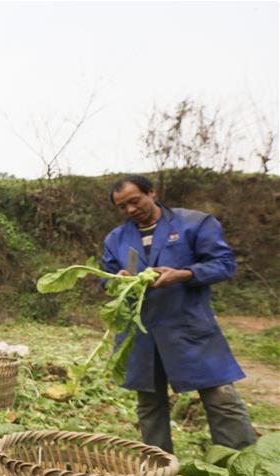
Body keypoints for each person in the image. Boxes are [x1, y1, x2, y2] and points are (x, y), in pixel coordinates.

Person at [102, 174, 256, 454]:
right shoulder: (116, 239)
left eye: (134, 201)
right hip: (142, 333)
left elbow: (223, 264)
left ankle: (240, 465)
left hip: (189, 327)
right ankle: (159, 470)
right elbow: (106, 276)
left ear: (152, 192)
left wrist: (184, 274)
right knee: (149, 405)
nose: (130, 210)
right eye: (122, 207)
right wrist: (117, 279)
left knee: (221, 398)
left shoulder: (193, 223)